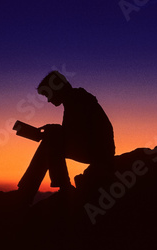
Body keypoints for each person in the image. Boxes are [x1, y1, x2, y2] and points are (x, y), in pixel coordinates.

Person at [16, 71, 115, 205]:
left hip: (99, 151)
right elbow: (73, 133)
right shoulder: (74, 99)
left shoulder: (78, 100)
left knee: (51, 139)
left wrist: (53, 131)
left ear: (56, 88)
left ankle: (30, 190)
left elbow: (75, 134)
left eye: (47, 94)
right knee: (51, 139)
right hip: (95, 148)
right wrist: (52, 129)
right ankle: (32, 189)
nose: (48, 100)